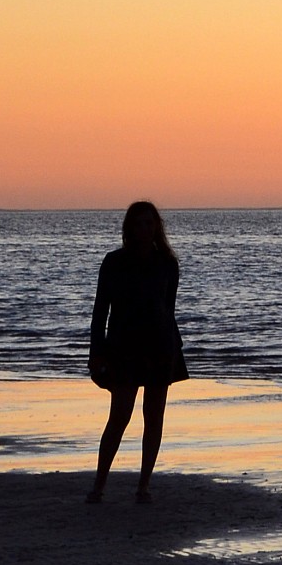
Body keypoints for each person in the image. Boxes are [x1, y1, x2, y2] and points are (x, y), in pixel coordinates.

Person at [87, 200, 189, 504]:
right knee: (119, 417)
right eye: (139, 223)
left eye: (150, 223)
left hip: (160, 346)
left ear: (157, 227)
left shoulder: (167, 264)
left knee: (154, 418)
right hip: (124, 347)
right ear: (130, 228)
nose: (145, 229)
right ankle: (99, 485)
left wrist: (174, 348)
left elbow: (168, 310)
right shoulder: (114, 262)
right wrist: (96, 353)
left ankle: (144, 486)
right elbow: (99, 312)